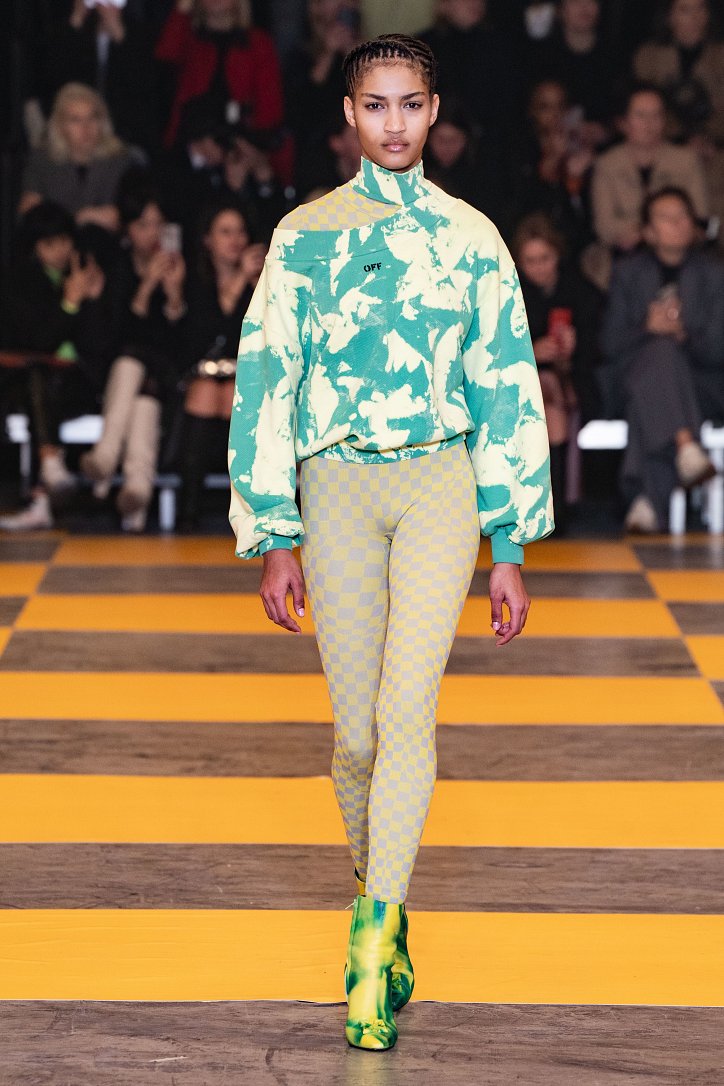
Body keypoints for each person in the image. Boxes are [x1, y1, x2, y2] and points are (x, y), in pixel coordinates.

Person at [227, 34, 553, 1050]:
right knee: (357, 738)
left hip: (438, 484)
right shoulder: (303, 237)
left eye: (411, 103)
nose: (395, 123)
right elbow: (266, 382)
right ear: (349, 114)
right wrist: (272, 531)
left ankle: (370, 942)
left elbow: (505, 386)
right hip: (334, 486)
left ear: (435, 110)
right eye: (377, 105)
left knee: (406, 711)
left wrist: (508, 541)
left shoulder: (473, 238)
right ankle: (387, 895)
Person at [600, 186, 724, 532]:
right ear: (648, 231)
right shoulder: (628, 272)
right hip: (636, 379)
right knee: (656, 356)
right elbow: (608, 344)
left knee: (657, 371)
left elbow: (719, 347)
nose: (678, 223)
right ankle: (685, 446)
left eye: (683, 216)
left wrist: (682, 334)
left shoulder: (714, 274)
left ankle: (647, 499)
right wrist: (647, 328)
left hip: (699, 385)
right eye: (667, 218)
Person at [80, 178, 186, 531]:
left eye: (158, 224)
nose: (152, 232)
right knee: (138, 383)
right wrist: (146, 288)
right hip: (121, 372)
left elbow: (179, 342)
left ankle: (106, 455)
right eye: (143, 224)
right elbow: (113, 336)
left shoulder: (178, 265)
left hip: (166, 370)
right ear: (129, 229)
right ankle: (137, 492)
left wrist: (173, 295)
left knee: (137, 368)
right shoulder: (118, 266)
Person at [0, 202, 108, 531]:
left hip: (79, 382)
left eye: (64, 241)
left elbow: (100, 344)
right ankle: (48, 474)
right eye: (50, 243)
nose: (60, 250)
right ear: (35, 247)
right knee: (39, 379)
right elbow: (39, 342)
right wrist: (69, 304)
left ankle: (45, 485)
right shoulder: (22, 283)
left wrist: (93, 299)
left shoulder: (83, 273)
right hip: (32, 381)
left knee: (43, 388)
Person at [178, 200, 265, 529]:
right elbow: (208, 334)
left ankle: (248, 512)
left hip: (250, 374)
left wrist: (255, 283)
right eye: (225, 232)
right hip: (199, 376)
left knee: (232, 393)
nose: (235, 240)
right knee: (206, 392)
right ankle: (190, 510)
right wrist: (239, 278)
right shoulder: (193, 279)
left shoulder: (260, 278)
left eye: (240, 232)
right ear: (207, 240)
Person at [513, 212, 602, 527]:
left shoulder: (581, 292)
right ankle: (555, 507)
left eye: (545, 258)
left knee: (551, 396)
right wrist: (532, 352)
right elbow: (493, 347)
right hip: (518, 386)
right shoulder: (508, 292)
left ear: (557, 255)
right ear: (519, 261)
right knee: (547, 393)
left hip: (576, 384)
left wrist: (574, 350)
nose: (538, 267)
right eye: (530, 260)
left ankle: (553, 506)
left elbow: (600, 346)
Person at [587, 84, 709, 289]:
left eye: (656, 115)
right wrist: (650, 232)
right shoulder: (607, 164)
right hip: (625, 254)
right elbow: (604, 226)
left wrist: (660, 232)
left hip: (680, 251)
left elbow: (701, 216)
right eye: (641, 115)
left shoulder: (686, 160)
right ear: (623, 122)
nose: (649, 124)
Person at [633, 0, 724, 146]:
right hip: (661, 142)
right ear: (669, 16)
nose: (695, 17)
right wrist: (680, 138)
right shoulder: (649, 56)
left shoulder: (719, 55)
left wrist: (706, 138)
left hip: (715, 143)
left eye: (701, 8)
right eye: (685, 10)